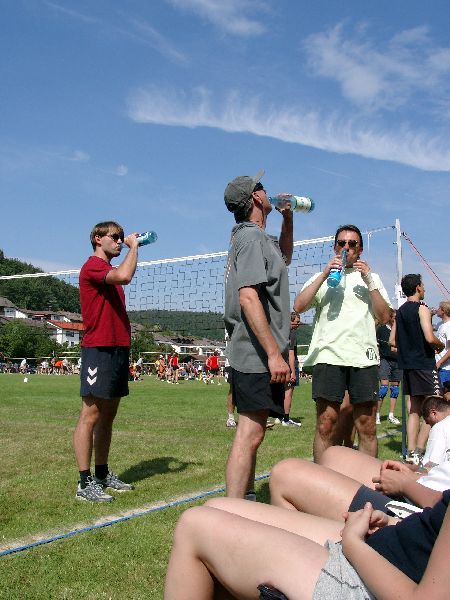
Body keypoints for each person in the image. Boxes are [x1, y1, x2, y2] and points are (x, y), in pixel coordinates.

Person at [164, 488, 450, 599]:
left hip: (375, 582)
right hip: (391, 552)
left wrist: (353, 545)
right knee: (218, 507)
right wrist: (394, 523)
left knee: (195, 525)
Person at [294, 224, 391, 461]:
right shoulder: (322, 277)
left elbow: (385, 316)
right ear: (335, 247)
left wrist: (369, 280)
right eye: (342, 243)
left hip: (363, 357)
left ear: (360, 249)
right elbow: (299, 306)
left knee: (367, 425)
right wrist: (324, 275)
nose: (346, 247)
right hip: (329, 355)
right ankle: (323, 478)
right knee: (326, 423)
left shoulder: (372, 279)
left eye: (352, 243)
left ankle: (366, 480)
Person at [223, 170, 292, 499]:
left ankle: (245, 498)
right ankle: (233, 510)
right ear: (256, 197)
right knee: (249, 434)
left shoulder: (259, 238)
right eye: (262, 188)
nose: (268, 192)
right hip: (255, 353)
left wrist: (288, 220)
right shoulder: (250, 238)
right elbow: (248, 297)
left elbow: (284, 258)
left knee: (255, 433)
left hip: (259, 351)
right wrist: (274, 353)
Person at [270, 397, 450, 523]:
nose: (427, 425)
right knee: (334, 455)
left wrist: (406, 484)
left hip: (426, 514)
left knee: (284, 474)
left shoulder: (441, 427)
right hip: (428, 490)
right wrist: (416, 474)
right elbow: (433, 468)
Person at [73, 221, 139, 502]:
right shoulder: (93, 266)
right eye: (115, 237)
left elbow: (120, 276)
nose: (120, 241)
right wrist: (134, 247)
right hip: (98, 349)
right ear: (98, 239)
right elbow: (125, 275)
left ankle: (101, 473)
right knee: (90, 415)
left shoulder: (108, 271)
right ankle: (84, 482)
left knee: (108, 415)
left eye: (122, 237)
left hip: (117, 348)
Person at [390, 274, 444, 464]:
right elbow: (429, 337)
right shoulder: (422, 308)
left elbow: (391, 341)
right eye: (423, 285)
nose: (425, 288)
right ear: (418, 288)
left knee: (414, 410)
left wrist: (407, 349)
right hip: (424, 364)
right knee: (436, 407)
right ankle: (420, 451)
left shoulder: (400, 312)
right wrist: (440, 345)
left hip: (409, 367)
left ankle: (411, 452)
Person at [275, 311, 302, 427]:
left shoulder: (279, 332)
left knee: (279, 392)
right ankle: (286, 419)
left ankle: (278, 416)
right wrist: (292, 371)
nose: (298, 324)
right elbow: (291, 353)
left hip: (279, 365)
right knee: (288, 392)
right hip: (289, 366)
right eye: (297, 322)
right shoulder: (292, 333)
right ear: (291, 321)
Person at [376, 309, 402, 425]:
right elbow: (377, 345)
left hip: (397, 361)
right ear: (390, 318)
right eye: (394, 317)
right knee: (383, 388)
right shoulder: (382, 329)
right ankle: (377, 414)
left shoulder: (401, 330)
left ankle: (391, 415)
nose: (396, 320)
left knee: (395, 389)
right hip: (385, 360)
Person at [435, 300, 450, 399]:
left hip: (446, 367)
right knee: (439, 394)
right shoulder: (440, 324)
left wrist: (440, 362)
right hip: (439, 366)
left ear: (443, 311)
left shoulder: (449, 326)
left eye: (439, 308)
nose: (437, 310)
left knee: (446, 395)